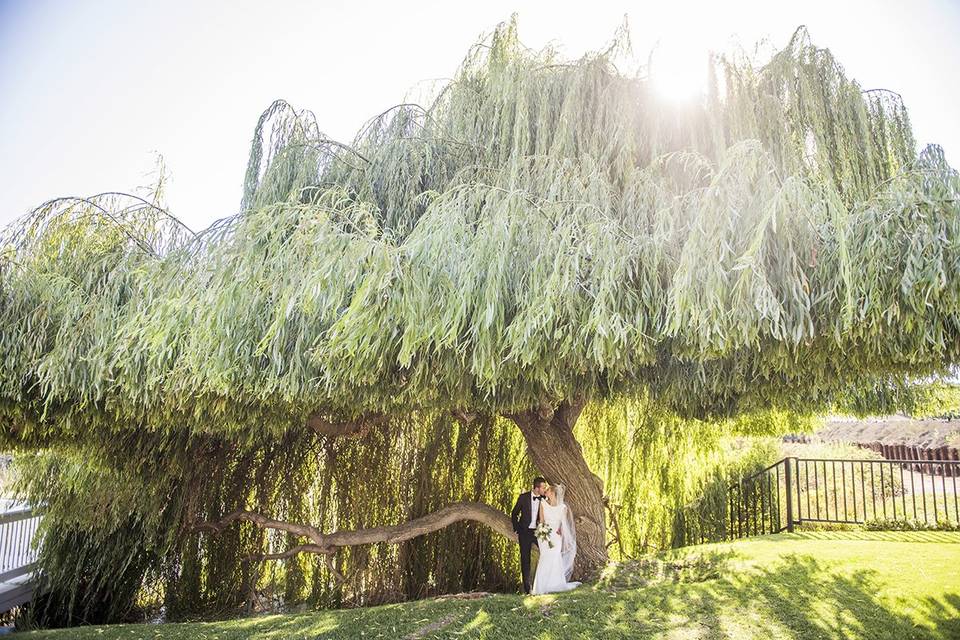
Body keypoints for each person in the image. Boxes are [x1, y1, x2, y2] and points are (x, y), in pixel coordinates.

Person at [531, 483, 581, 595]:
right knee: (545, 557)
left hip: (556, 535)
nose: (545, 492)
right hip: (545, 534)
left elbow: (563, 523)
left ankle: (555, 584)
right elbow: (542, 520)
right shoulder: (543, 503)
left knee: (554, 557)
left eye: (547, 490)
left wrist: (561, 530)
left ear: (552, 493)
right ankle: (541, 586)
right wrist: (542, 532)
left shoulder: (563, 507)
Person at [510, 476, 547, 594]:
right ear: (536, 488)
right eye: (543, 487)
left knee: (547, 552)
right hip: (525, 533)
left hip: (538, 532)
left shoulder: (545, 498)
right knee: (525, 559)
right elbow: (514, 513)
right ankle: (527, 588)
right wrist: (517, 528)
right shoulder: (523, 498)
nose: (544, 489)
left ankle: (544, 583)